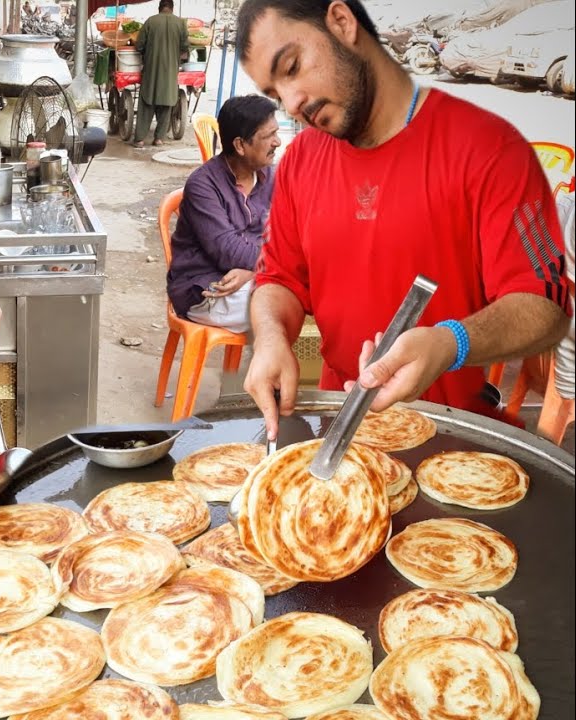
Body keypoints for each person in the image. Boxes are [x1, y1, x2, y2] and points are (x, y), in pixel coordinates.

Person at [234, 0, 570, 438]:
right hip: (342, 425)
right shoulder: (301, 159)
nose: (293, 103)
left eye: (293, 66)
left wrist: (451, 343)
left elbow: (545, 304)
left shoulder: (489, 147)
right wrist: (272, 338)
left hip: (454, 433)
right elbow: (279, 278)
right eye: (275, 95)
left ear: (341, 22)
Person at [167, 95, 280, 333]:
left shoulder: (270, 178)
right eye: (268, 136)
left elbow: (288, 235)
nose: (277, 142)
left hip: (248, 281)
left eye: (276, 133)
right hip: (206, 289)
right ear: (240, 145)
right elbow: (228, 250)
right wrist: (275, 264)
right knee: (290, 303)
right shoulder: (203, 185)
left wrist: (252, 272)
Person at [133, 0, 188, 148]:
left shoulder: (150, 21)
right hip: (170, 71)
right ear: (172, 8)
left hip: (151, 69)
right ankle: (159, 139)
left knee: (146, 102)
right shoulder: (181, 23)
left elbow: (139, 45)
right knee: (167, 104)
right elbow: (184, 48)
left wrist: (148, 52)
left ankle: (139, 139)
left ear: (160, 8)